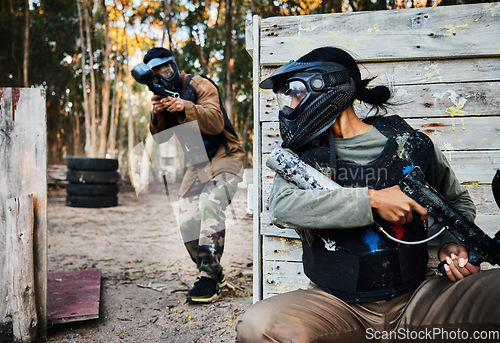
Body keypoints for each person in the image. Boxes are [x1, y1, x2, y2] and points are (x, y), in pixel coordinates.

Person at [236, 47, 500, 342]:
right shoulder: (303, 160)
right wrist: (372, 201)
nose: (289, 106)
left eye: (295, 92)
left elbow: (457, 203)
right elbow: (283, 208)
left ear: (329, 85)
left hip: (419, 300)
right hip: (336, 306)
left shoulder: (411, 144)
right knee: (258, 327)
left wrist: (451, 244)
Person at [145, 47, 245, 303]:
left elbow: (215, 122)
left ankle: (209, 279)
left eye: (166, 69)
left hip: (226, 157)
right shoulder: (163, 98)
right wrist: (156, 115)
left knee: (210, 202)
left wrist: (185, 105)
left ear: (174, 66)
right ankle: (211, 270)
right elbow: (159, 139)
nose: (164, 76)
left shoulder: (201, 86)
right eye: (157, 74)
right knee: (187, 218)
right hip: (197, 165)